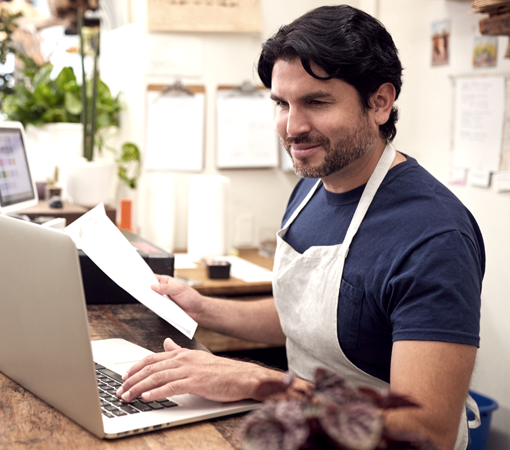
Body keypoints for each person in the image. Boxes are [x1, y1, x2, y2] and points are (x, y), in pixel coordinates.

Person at [115, 6, 483, 450]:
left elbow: (425, 431)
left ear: (380, 103)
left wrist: (261, 381)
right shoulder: (310, 189)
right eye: (281, 103)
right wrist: (203, 307)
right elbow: (310, 317)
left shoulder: (434, 237)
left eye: (316, 102)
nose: (292, 128)